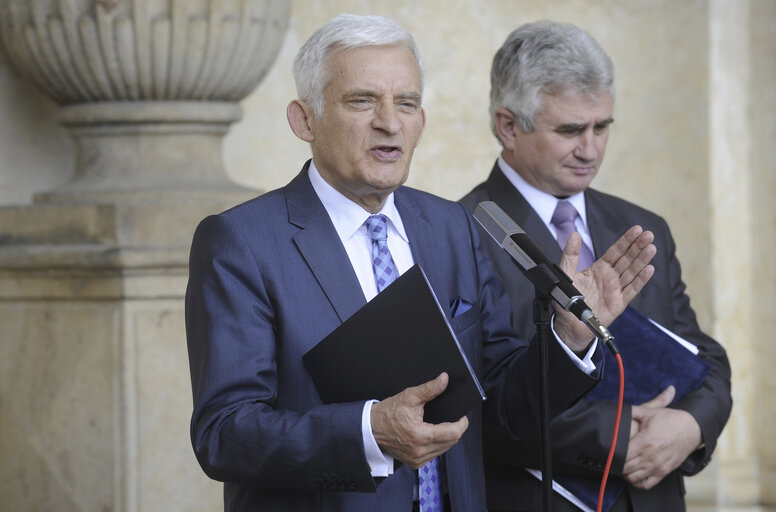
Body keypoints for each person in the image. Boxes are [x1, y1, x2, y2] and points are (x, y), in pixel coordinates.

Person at [185, 14, 656, 512]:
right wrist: (370, 432)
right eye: (362, 100)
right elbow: (224, 433)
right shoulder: (242, 241)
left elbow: (498, 402)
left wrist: (569, 339)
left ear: (421, 122)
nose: (390, 122)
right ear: (305, 120)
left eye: (406, 103)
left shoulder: (452, 226)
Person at [460, 20, 732, 512]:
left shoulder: (643, 226)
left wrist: (689, 427)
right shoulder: (457, 231)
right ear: (507, 125)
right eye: (569, 130)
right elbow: (477, 404)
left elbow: (704, 360)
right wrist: (622, 437)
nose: (590, 149)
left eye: (601, 126)